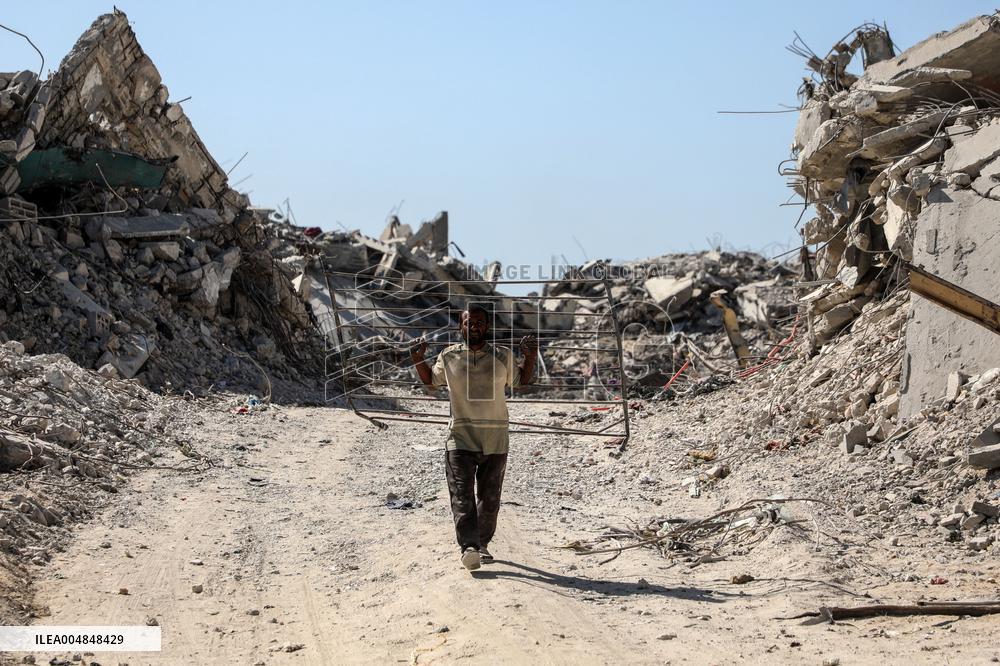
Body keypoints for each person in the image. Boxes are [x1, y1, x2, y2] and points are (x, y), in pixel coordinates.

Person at [410, 304, 538, 571]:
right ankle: (468, 547)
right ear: (461, 326)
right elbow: (431, 383)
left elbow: (521, 383)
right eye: (469, 322)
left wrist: (530, 356)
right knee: (461, 494)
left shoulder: (502, 356)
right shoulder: (448, 356)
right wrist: (417, 359)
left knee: (489, 499)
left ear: (487, 326)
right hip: (460, 436)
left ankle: (481, 543)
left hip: (495, 437)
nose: (474, 326)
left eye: (480, 322)